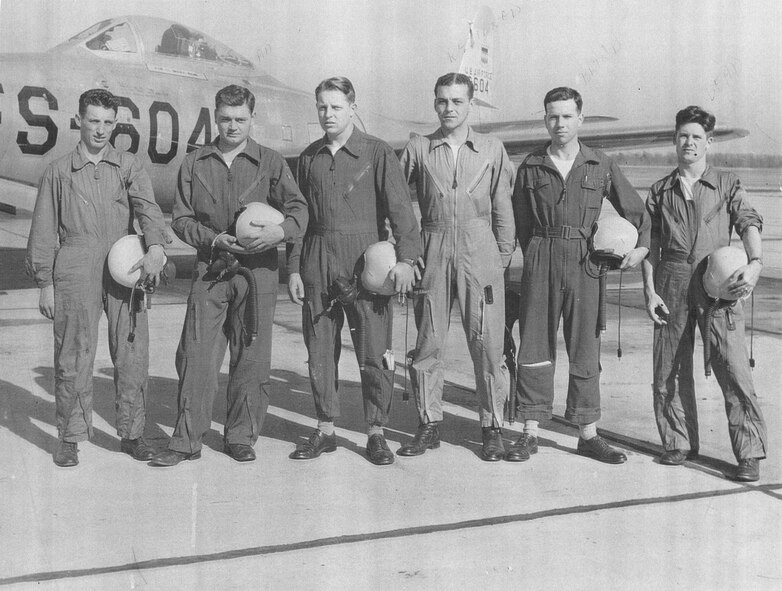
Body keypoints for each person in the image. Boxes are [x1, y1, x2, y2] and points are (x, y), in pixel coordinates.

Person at [149, 85, 307, 466]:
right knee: (196, 354)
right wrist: (213, 237)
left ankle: (240, 436)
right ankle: (186, 440)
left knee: (251, 357)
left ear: (252, 119)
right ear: (214, 117)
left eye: (240, 119)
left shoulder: (269, 161)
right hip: (212, 269)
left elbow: (299, 210)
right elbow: (182, 219)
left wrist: (277, 233)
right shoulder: (195, 162)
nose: (232, 126)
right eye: (225, 119)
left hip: (259, 272)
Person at [26, 88, 170, 467]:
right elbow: (43, 231)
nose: (101, 130)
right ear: (79, 120)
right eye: (93, 121)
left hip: (123, 265)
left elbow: (148, 209)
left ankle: (133, 433)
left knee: (132, 353)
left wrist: (155, 247)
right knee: (72, 354)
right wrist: (45, 283)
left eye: (108, 122)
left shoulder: (128, 165)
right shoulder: (58, 171)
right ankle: (70, 437)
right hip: (74, 265)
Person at [509, 87, 649, 464]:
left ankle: (587, 433)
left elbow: (637, 213)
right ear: (545, 120)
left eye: (567, 116)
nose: (560, 123)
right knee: (534, 345)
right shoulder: (531, 165)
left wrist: (641, 248)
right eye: (553, 116)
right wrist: (538, 253)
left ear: (580, 119)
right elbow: (520, 222)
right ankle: (529, 431)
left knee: (585, 349)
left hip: (586, 264)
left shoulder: (599, 164)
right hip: (541, 256)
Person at [287, 77, 421, 466]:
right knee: (319, 351)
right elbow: (300, 217)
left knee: (374, 351)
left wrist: (407, 261)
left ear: (352, 107)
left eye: (336, 107)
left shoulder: (377, 153)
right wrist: (294, 268)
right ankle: (325, 428)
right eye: (322, 108)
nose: (328, 114)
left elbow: (402, 217)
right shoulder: (308, 157)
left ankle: (375, 432)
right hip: (317, 257)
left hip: (366, 263)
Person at [641, 106, 767, 482]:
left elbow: (748, 222)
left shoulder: (727, 183)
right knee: (668, 368)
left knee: (733, 368)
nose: (689, 142)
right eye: (683, 135)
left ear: (709, 142)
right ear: (674, 139)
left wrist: (756, 262)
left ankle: (749, 454)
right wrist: (649, 291)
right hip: (672, 280)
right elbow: (650, 243)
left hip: (718, 283)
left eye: (697, 136)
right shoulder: (661, 190)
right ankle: (677, 442)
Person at [397, 73, 515, 462]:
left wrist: (498, 258)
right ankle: (429, 424)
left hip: (479, 250)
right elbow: (396, 206)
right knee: (428, 341)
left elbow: (503, 209)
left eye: (457, 101)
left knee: (487, 343)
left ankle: (492, 427)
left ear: (471, 104)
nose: (449, 109)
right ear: (435, 104)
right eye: (443, 101)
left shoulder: (491, 148)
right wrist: (405, 255)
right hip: (432, 249)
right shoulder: (418, 148)